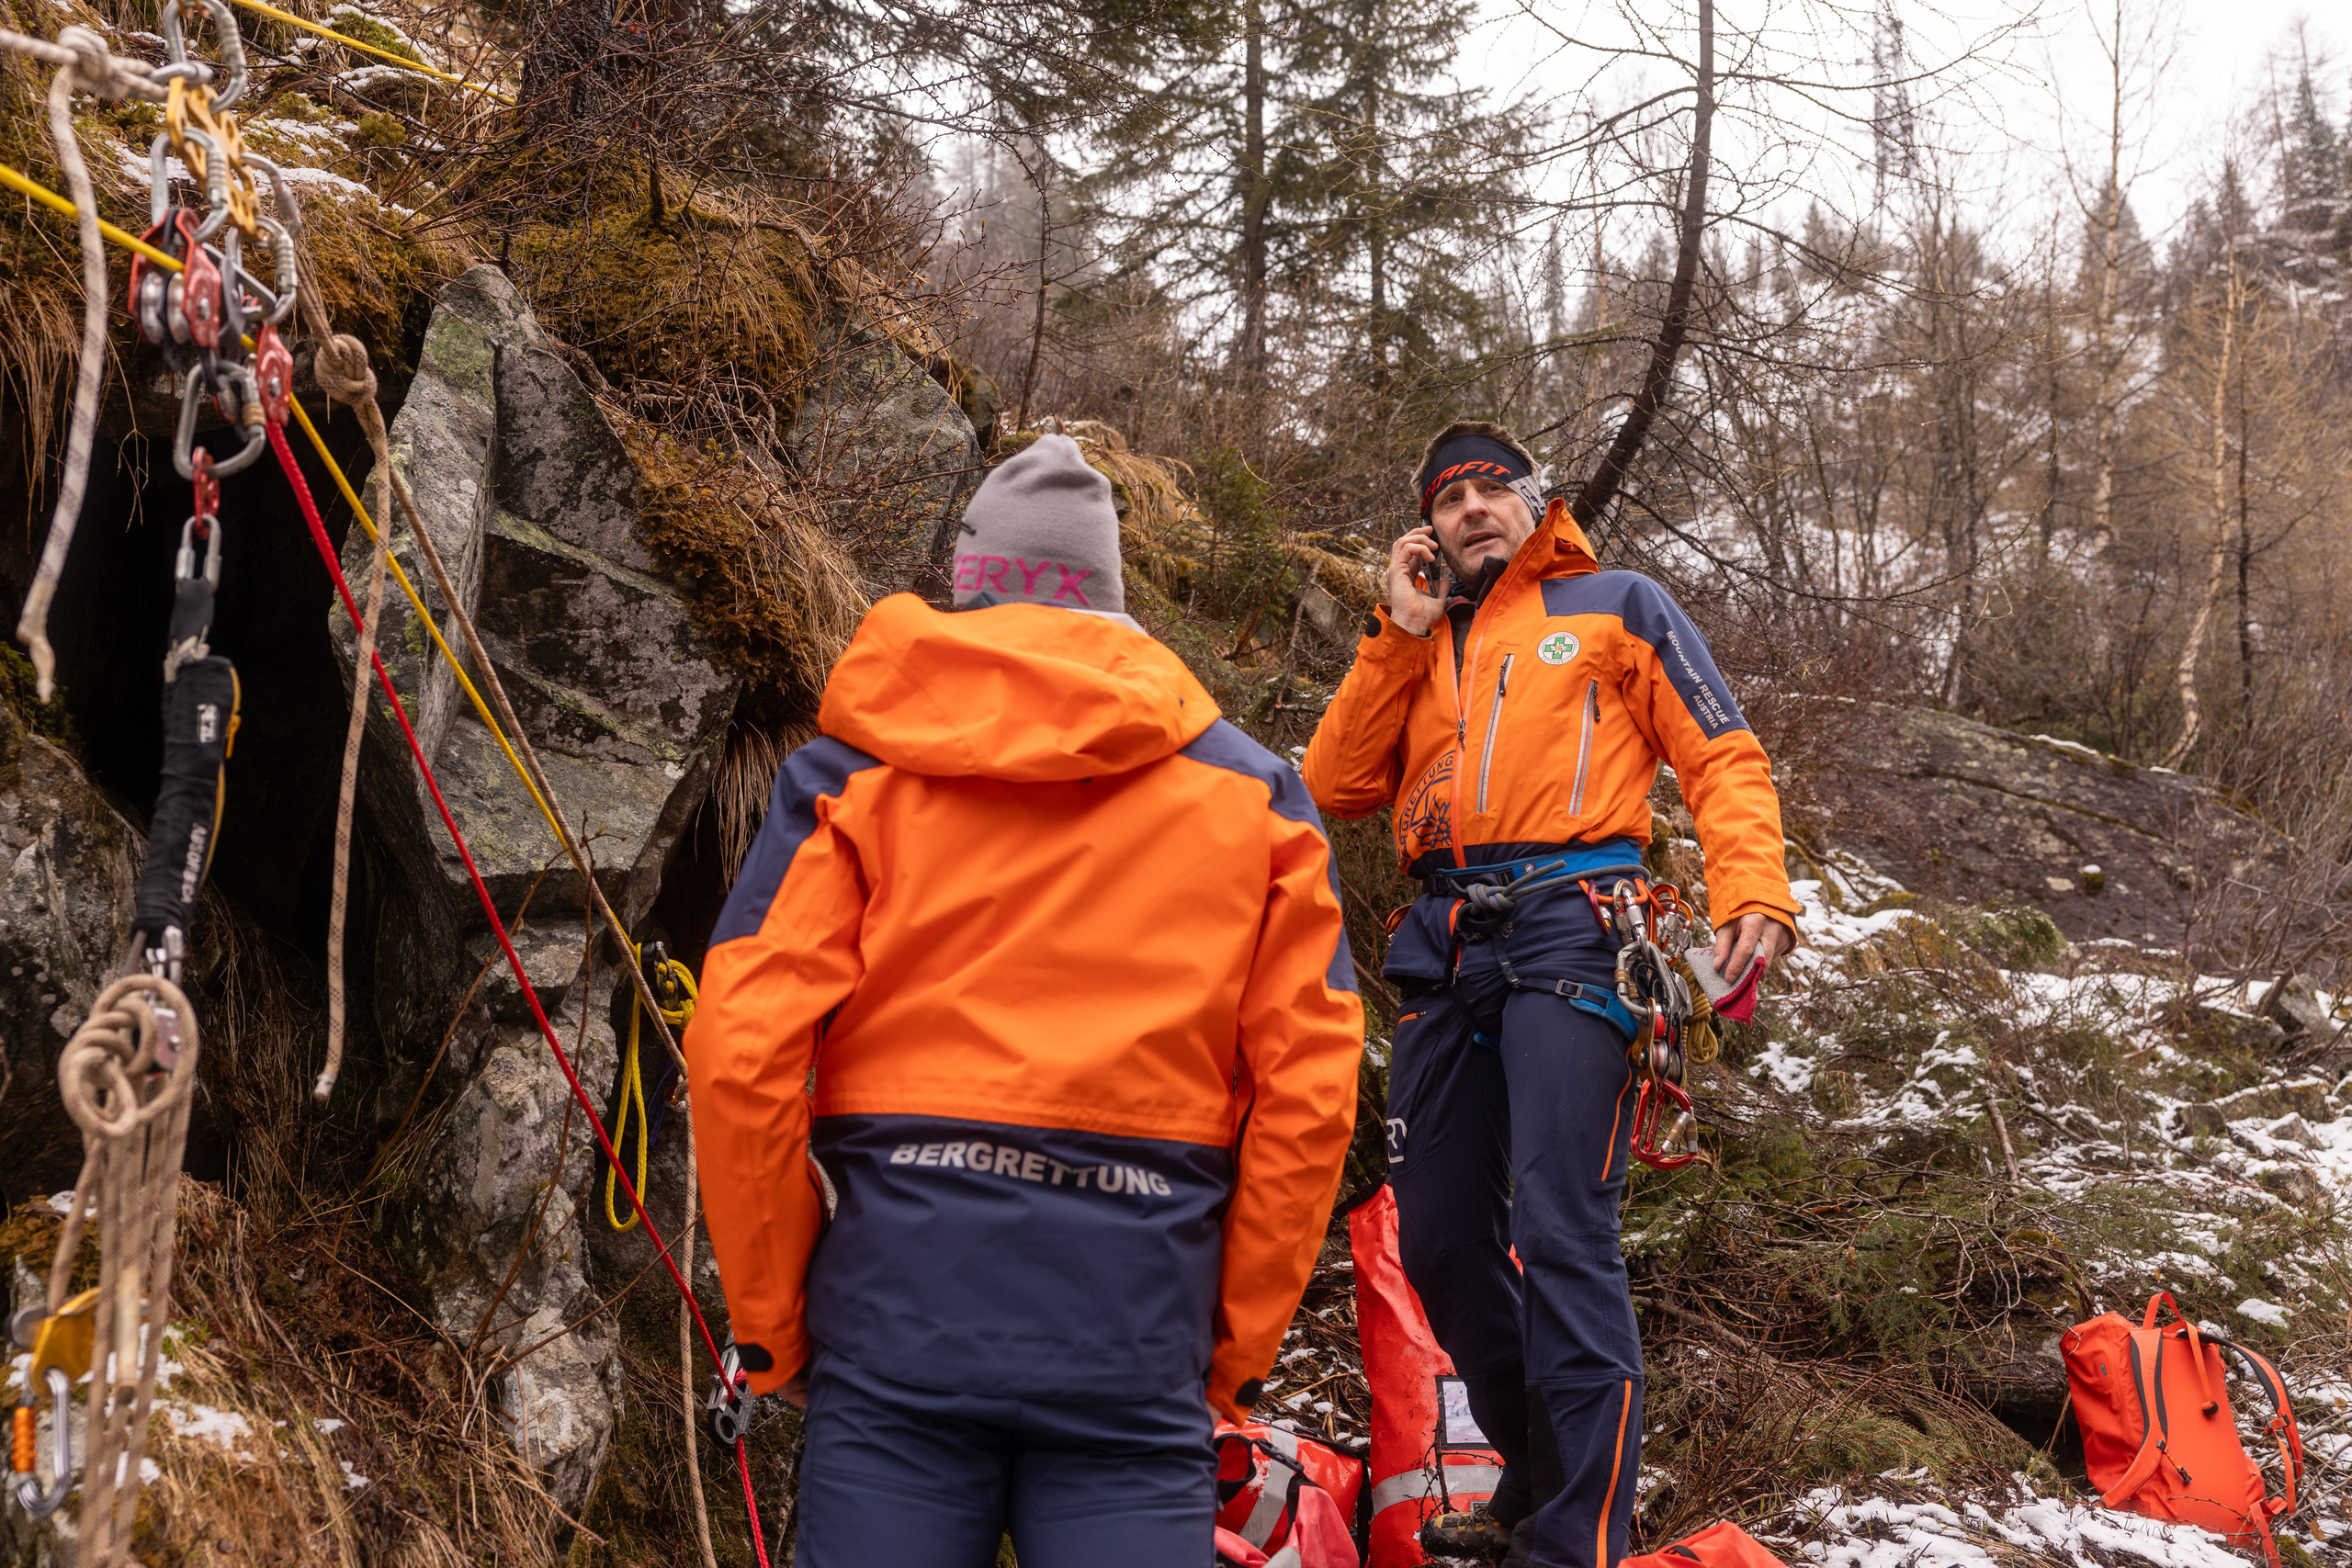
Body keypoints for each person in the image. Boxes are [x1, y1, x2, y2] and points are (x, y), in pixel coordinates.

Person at [684, 434, 1366, 1568]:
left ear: (969, 582)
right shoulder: (1256, 798)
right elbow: (1310, 1094)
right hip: (1133, 1344)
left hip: (895, 1328)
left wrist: (773, 1329)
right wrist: (1232, 1353)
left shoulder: (852, 773)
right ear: (1110, 599)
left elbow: (739, 1053)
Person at [1300, 421, 1798, 1568]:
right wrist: (1393, 632)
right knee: (1434, 1242)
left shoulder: (1617, 603)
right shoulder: (1416, 647)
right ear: (1425, 530)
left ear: (1535, 505)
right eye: (1447, 497)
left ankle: (1578, 1540)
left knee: (1564, 1229)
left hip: (1581, 928)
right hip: (1442, 944)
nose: (1471, 507)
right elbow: (1336, 784)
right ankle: (1533, 1469)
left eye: (1492, 489)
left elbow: (1721, 755)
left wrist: (1752, 896)